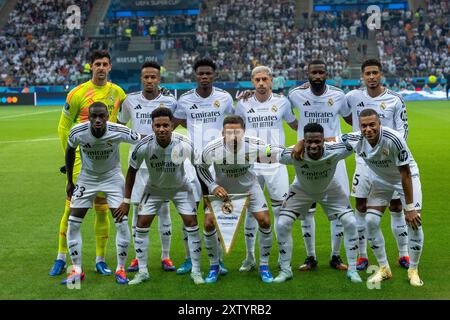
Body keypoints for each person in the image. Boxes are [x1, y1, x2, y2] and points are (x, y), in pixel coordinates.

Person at [50, 50, 127, 277]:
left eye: (105, 64)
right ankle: (61, 257)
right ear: (90, 67)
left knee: (103, 211)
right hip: (81, 162)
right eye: (97, 64)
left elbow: (121, 121)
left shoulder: (118, 93)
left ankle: (100, 260)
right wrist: (70, 156)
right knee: (71, 211)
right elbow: (63, 127)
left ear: (110, 67)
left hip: (107, 164)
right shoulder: (78, 93)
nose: (101, 68)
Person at [115, 108, 204, 285]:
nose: (162, 129)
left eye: (165, 125)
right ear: (152, 126)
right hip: (154, 188)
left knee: (192, 223)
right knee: (141, 224)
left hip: (180, 188)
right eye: (158, 125)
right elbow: (131, 173)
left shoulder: (185, 143)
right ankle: (142, 271)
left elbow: (200, 169)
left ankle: (196, 270)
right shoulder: (143, 146)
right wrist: (126, 201)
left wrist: (206, 194)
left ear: (172, 125)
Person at [340, 109, 424, 287]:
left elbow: (405, 173)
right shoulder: (356, 139)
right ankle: (384, 268)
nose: (368, 129)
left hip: (406, 178)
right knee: (370, 221)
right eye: (364, 126)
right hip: (381, 180)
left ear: (379, 124)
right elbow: (332, 140)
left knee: (414, 221)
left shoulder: (393, 139)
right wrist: (302, 143)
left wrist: (409, 208)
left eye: (372, 124)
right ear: (359, 127)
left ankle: (413, 270)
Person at [61, 102, 141, 285]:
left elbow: (141, 139)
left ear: (107, 116)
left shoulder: (118, 130)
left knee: (121, 223)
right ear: (88, 117)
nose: (98, 120)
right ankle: (77, 270)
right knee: (73, 223)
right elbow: (70, 151)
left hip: (112, 178)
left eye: (101, 116)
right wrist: (69, 181)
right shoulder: (77, 131)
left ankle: (120, 269)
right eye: (94, 116)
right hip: (86, 178)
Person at [274, 123, 361, 284]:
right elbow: (271, 152)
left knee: (350, 222)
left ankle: (353, 270)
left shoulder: (336, 149)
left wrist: (331, 139)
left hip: (330, 188)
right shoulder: (293, 153)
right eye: (309, 142)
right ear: (304, 142)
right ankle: (286, 270)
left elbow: (359, 136)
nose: (313, 145)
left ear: (323, 141)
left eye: (317, 142)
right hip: (302, 189)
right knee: (282, 224)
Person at [197, 115, 279, 283]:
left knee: (264, 221)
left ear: (244, 132)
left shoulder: (256, 144)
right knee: (208, 223)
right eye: (229, 133)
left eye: (237, 132)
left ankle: (264, 266)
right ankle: (215, 266)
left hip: (249, 188)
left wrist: (274, 154)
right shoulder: (211, 148)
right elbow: (201, 168)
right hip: (222, 190)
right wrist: (212, 186)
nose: (233, 137)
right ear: (222, 133)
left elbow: (275, 152)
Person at [346, 59, 410, 271]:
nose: (371, 77)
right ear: (362, 76)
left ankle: (404, 254)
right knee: (361, 206)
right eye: (368, 74)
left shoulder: (395, 99)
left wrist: (391, 153)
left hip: (388, 163)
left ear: (381, 74)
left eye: (375, 73)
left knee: (396, 206)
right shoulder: (353, 97)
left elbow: (403, 131)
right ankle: (362, 255)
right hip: (363, 161)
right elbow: (331, 100)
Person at [288, 60, 352, 272]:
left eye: (321, 72)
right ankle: (310, 256)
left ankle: (335, 256)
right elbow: (278, 107)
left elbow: (349, 118)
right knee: (307, 210)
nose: (317, 76)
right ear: (307, 74)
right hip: (305, 158)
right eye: (313, 72)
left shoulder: (339, 95)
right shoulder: (296, 94)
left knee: (340, 209)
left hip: (333, 158)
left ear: (326, 74)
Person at [173, 58, 234, 276]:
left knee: (214, 213)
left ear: (214, 75)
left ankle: (217, 260)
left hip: (216, 165)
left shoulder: (225, 98)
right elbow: (175, 121)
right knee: (188, 212)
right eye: (201, 74)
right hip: (191, 163)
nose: (205, 77)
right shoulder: (185, 99)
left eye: (208, 73)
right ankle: (190, 258)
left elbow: (236, 118)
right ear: (195, 76)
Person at [234, 65, 297, 272]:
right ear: (252, 82)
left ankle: (282, 255)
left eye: (265, 79)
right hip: (251, 165)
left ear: (271, 80)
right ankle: (250, 257)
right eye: (257, 80)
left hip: (276, 163)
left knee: (281, 211)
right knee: (252, 211)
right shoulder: (242, 103)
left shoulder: (282, 102)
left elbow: (295, 125)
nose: (261, 83)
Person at [117, 62, 178, 273]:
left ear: (159, 79)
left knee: (163, 209)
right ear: (141, 79)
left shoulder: (170, 100)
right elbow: (120, 125)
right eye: (146, 77)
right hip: (139, 164)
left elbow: (174, 126)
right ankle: (137, 256)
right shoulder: (130, 101)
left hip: (163, 163)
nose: (150, 80)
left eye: (153, 77)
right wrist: (136, 138)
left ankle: (166, 256)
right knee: (137, 210)